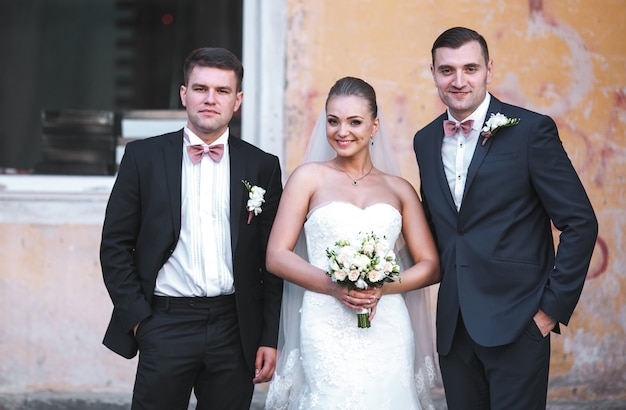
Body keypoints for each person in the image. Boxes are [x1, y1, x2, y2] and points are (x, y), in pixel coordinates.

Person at [413, 27, 598, 409]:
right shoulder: (425, 140)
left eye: (470, 68)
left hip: (519, 323)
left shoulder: (531, 131)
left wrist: (548, 312)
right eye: (447, 70)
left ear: (489, 70)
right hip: (454, 330)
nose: (458, 81)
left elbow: (580, 222)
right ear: (432, 72)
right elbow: (439, 227)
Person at [99, 47, 283, 410]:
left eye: (222, 91)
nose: (210, 99)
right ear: (184, 94)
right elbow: (115, 245)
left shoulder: (262, 166)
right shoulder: (144, 158)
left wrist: (270, 335)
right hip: (164, 322)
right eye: (200, 89)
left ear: (238, 100)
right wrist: (140, 321)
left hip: (235, 326)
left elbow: (272, 259)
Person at [265, 76, 441, 410]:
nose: (342, 131)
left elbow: (430, 265)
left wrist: (380, 289)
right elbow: (276, 255)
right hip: (324, 322)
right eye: (333, 121)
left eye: (354, 122)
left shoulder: (399, 189)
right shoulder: (308, 178)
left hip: (386, 323)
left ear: (375, 126)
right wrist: (333, 286)